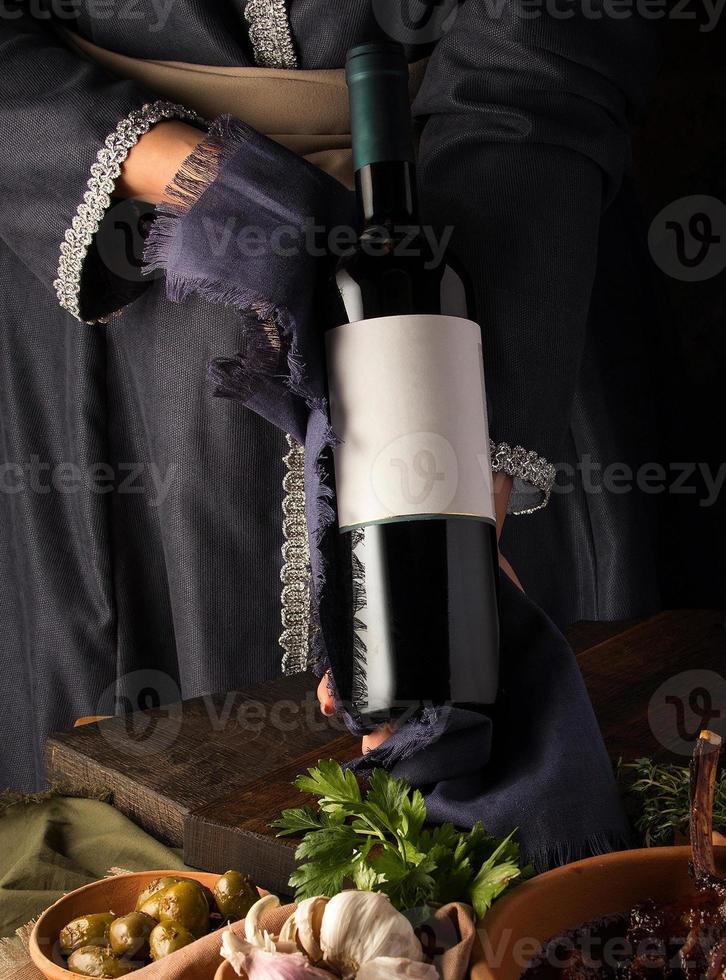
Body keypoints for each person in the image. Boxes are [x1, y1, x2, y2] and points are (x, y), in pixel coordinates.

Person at [0, 1, 660, 790]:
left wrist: (464, 478)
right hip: (128, 298)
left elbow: (543, 51)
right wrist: (189, 174)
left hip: (510, 265)